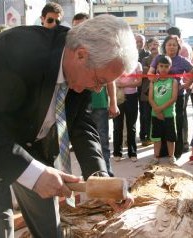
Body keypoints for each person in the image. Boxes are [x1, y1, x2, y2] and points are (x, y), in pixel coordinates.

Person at [0, 15, 138, 237]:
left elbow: (80, 124)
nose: (97, 90)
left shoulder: (85, 69)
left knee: (50, 231)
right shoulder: (15, 49)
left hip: (35, 149)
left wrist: (100, 178)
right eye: (100, 81)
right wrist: (33, 174)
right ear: (81, 54)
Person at [72, 13, 118, 177]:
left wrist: (113, 102)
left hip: (99, 104)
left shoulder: (101, 49)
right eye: (76, 26)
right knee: (83, 142)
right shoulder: (70, 51)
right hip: (78, 105)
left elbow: (110, 79)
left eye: (83, 25)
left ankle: (106, 176)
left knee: (102, 141)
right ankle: (93, 178)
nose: (80, 30)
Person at [148, 35, 193, 159]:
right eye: (169, 44)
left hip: (178, 97)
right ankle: (161, 153)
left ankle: (175, 153)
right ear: (165, 46)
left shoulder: (182, 60)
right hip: (159, 96)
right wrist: (154, 77)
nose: (172, 47)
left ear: (178, 46)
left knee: (176, 124)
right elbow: (149, 74)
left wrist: (186, 85)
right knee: (160, 125)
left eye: (174, 44)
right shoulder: (158, 58)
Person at [148, 55, 178, 165]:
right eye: (161, 66)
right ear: (157, 67)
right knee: (156, 138)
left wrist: (160, 109)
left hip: (169, 114)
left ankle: (171, 157)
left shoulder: (173, 81)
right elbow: (150, 98)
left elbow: (173, 98)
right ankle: (156, 157)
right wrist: (157, 111)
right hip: (156, 115)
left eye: (166, 66)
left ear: (170, 67)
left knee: (170, 138)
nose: (163, 68)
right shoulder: (153, 82)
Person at [113, 62, 142, 162]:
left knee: (131, 126)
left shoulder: (137, 64)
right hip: (118, 96)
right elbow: (112, 80)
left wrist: (124, 84)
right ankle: (117, 152)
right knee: (117, 125)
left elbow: (139, 82)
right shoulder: (116, 62)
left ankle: (132, 152)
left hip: (132, 97)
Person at [140, 37, 160, 146]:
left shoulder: (163, 58)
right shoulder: (145, 59)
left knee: (157, 115)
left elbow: (163, 70)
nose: (154, 46)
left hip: (160, 92)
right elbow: (144, 71)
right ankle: (147, 136)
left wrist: (150, 69)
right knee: (146, 115)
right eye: (152, 44)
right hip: (146, 92)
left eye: (156, 44)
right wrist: (154, 70)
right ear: (148, 46)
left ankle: (157, 136)